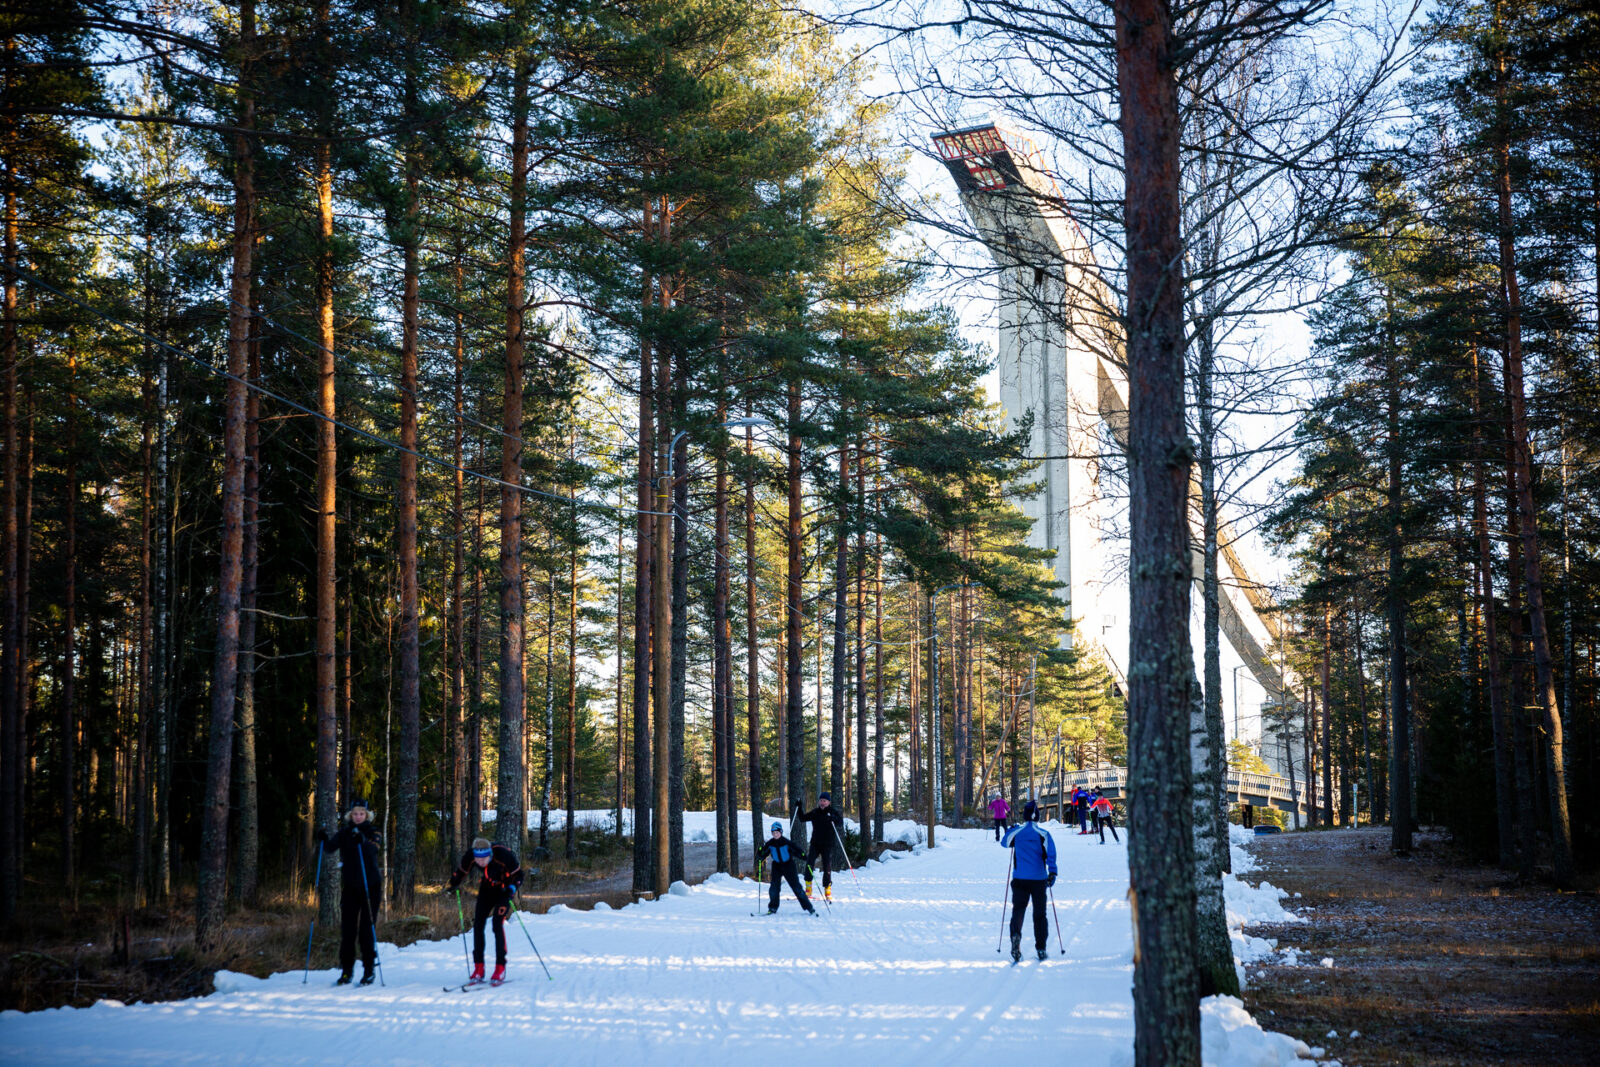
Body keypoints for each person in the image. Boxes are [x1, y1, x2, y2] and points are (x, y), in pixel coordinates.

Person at [316, 797, 382, 986]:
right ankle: (346, 971)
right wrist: (323, 838)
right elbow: (329, 848)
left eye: (362, 813)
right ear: (350, 815)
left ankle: (369, 970)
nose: (358, 817)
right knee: (348, 931)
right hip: (351, 887)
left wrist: (362, 841)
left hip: (370, 887)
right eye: (355, 814)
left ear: (367, 815)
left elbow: (373, 849)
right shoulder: (344, 832)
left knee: (366, 931)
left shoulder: (373, 831)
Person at [447, 836, 524, 984]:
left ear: (490, 854)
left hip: (504, 889)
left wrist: (513, 888)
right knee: (478, 925)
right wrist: (455, 880)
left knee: (496, 924)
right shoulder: (471, 855)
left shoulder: (503, 855)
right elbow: (462, 870)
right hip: (487, 888)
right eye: (478, 859)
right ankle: (479, 968)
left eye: (484, 859)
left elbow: (519, 875)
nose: (480, 862)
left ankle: (500, 968)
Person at [1001, 800, 1058, 962]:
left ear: (1024, 816)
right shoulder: (1043, 834)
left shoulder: (1017, 832)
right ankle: (1041, 948)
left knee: (1018, 910)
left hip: (1019, 879)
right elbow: (1051, 854)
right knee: (1040, 914)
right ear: (1037, 816)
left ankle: (1015, 938)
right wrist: (1052, 872)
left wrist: (1010, 830)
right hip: (1039, 879)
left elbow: (1004, 843)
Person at [756, 821, 817, 915]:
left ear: (781, 832)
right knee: (774, 888)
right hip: (776, 866)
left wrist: (804, 856)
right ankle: (772, 908)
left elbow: (797, 850)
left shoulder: (786, 842)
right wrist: (760, 853)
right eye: (773, 833)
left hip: (788, 865)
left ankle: (809, 907)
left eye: (777, 832)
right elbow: (764, 853)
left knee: (796, 887)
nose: (775, 834)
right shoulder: (770, 843)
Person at [796, 792, 844, 901]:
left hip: (827, 844)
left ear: (828, 802)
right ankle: (808, 890)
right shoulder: (815, 812)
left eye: (825, 801)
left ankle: (827, 891)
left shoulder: (832, 812)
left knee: (827, 867)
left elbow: (840, 822)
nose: (822, 803)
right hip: (815, 844)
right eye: (821, 800)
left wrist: (833, 818)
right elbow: (803, 818)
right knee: (809, 863)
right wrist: (799, 807)